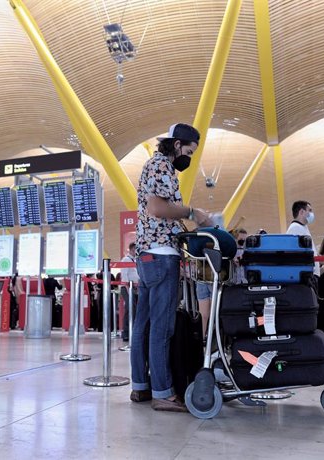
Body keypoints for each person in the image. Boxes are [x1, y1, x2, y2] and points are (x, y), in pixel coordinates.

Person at [130, 123, 213, 412]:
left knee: (143, 325)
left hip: (146, 254)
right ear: (177, 145)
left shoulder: (152, 165)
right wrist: (193, 213)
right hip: (162, 255)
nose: (188, 158)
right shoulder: (162, 165)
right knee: (161, 327)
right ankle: (163, 393)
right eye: (188, 151)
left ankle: (141, 386)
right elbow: (157, 208)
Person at [286, 200, 320, 279]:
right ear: (301, 212)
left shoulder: (303, 227)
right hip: (305, 276)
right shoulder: (295, 228)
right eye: (310, 210)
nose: (312, 214)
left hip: (311, 275)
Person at [120, 242, 139, 342]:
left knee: (134, 310)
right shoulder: (125, 260)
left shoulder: (135, 260)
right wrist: (128, 289)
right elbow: (125, 276)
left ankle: (133, 331)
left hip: (135, 288)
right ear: (132, 249)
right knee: (130, 309)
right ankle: (126, 333)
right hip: (127, 287)